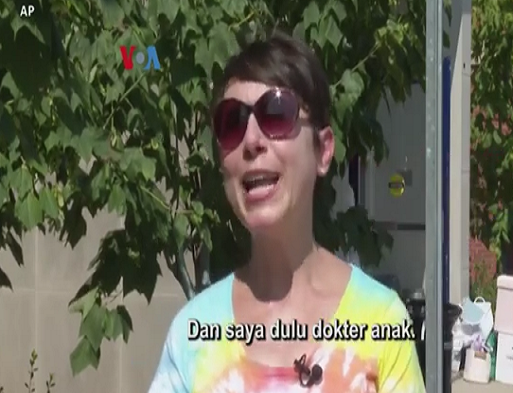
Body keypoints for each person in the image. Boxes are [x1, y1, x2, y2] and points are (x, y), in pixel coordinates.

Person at [148, 30, 425, 393]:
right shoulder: (191, 336)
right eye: (232, 122)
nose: (251, 141)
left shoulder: (381, 323)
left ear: (323, 150)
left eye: (276, 113)